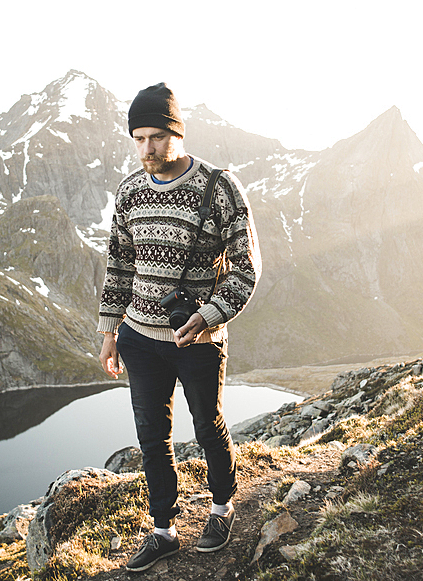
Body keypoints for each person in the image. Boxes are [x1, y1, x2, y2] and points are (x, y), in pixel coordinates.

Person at [97, 82, 262, 573]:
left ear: (177, 133)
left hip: (198, 342)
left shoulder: (219, 188)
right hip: (139, 339)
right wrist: (110, 333)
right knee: (152, 437)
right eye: (138, 139)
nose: (146, 149)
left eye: (156, 137)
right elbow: (119, 268)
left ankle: (221, 508)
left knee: (208, 425)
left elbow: (246, 268)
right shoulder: (129, 193)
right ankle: (164, 531)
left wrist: (210, 316)